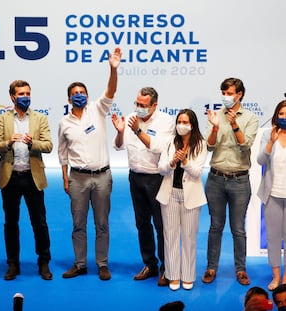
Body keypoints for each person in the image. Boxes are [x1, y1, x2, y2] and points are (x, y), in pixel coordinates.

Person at [58, 47, 122, 281]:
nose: (80, 95)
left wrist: (113, 69)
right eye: (75, 93)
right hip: (77, 178)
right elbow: (62, 152)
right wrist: (65, 178)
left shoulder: (97, 109)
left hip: (102, 177)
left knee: (102, 223)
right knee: (78, 224)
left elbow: (111, 90)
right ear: (69, 98)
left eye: (82, 91)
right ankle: (80, 264)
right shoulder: (64, 122)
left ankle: (102, 264)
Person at [0, 80, 53, 281]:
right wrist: (8, 143)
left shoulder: (40, 118)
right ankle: (12, 264)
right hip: (10, 178)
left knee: (40, 223)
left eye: (28, 93)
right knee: (11, 223)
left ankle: (43, 262)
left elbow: (48, 145)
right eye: (21, 94)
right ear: (12, 97)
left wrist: (32, 143)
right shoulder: (3, 119)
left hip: (32, 177)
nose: (25, 97)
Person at [111, 86, 174, 286]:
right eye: (137, 104)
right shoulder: (130, 118)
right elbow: (119, 146)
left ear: (154, 105)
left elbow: (157, 147)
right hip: (135, 177)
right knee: (142, 224)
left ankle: (167, 268)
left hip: (157, 179)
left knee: (162, 225)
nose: (139, 108)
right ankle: (150, 264)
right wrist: (121, 132)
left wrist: (138, 130)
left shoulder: (166, 121)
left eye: (143, 105)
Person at [202, 77, 259, 286]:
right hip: (215, 178)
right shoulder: (215, 115)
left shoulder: (251, 118)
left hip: (239, 180)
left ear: (239, 95)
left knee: (238, 229)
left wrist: (234, 125)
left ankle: (241, 270)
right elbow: (208, 147)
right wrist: (216, 128)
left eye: (229, 93)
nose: (225, 97)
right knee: (215, 226)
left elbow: (246, 146)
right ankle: (211, 267)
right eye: (223, 93)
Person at [156, 109, 208, 291]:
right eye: (179, 121)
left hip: (191, 197)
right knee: (170, 237)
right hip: (169, 194)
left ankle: (187, 275)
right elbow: (161, 168)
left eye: (185, 122)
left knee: (189, 237)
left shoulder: (200, 144)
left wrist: (184, 161)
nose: (181, 125)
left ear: (192, 125)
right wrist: (172, 162)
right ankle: (172, 275)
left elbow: (197, 172)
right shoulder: (170, 142)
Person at [257, 100, 286, 291]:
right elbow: (260, 160)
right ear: (277, 115)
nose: (284, 117)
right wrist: (270, 143)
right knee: (274, 238)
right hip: (272, 194)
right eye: (282, 114)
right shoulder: (268, 133)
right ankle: (276, 277)